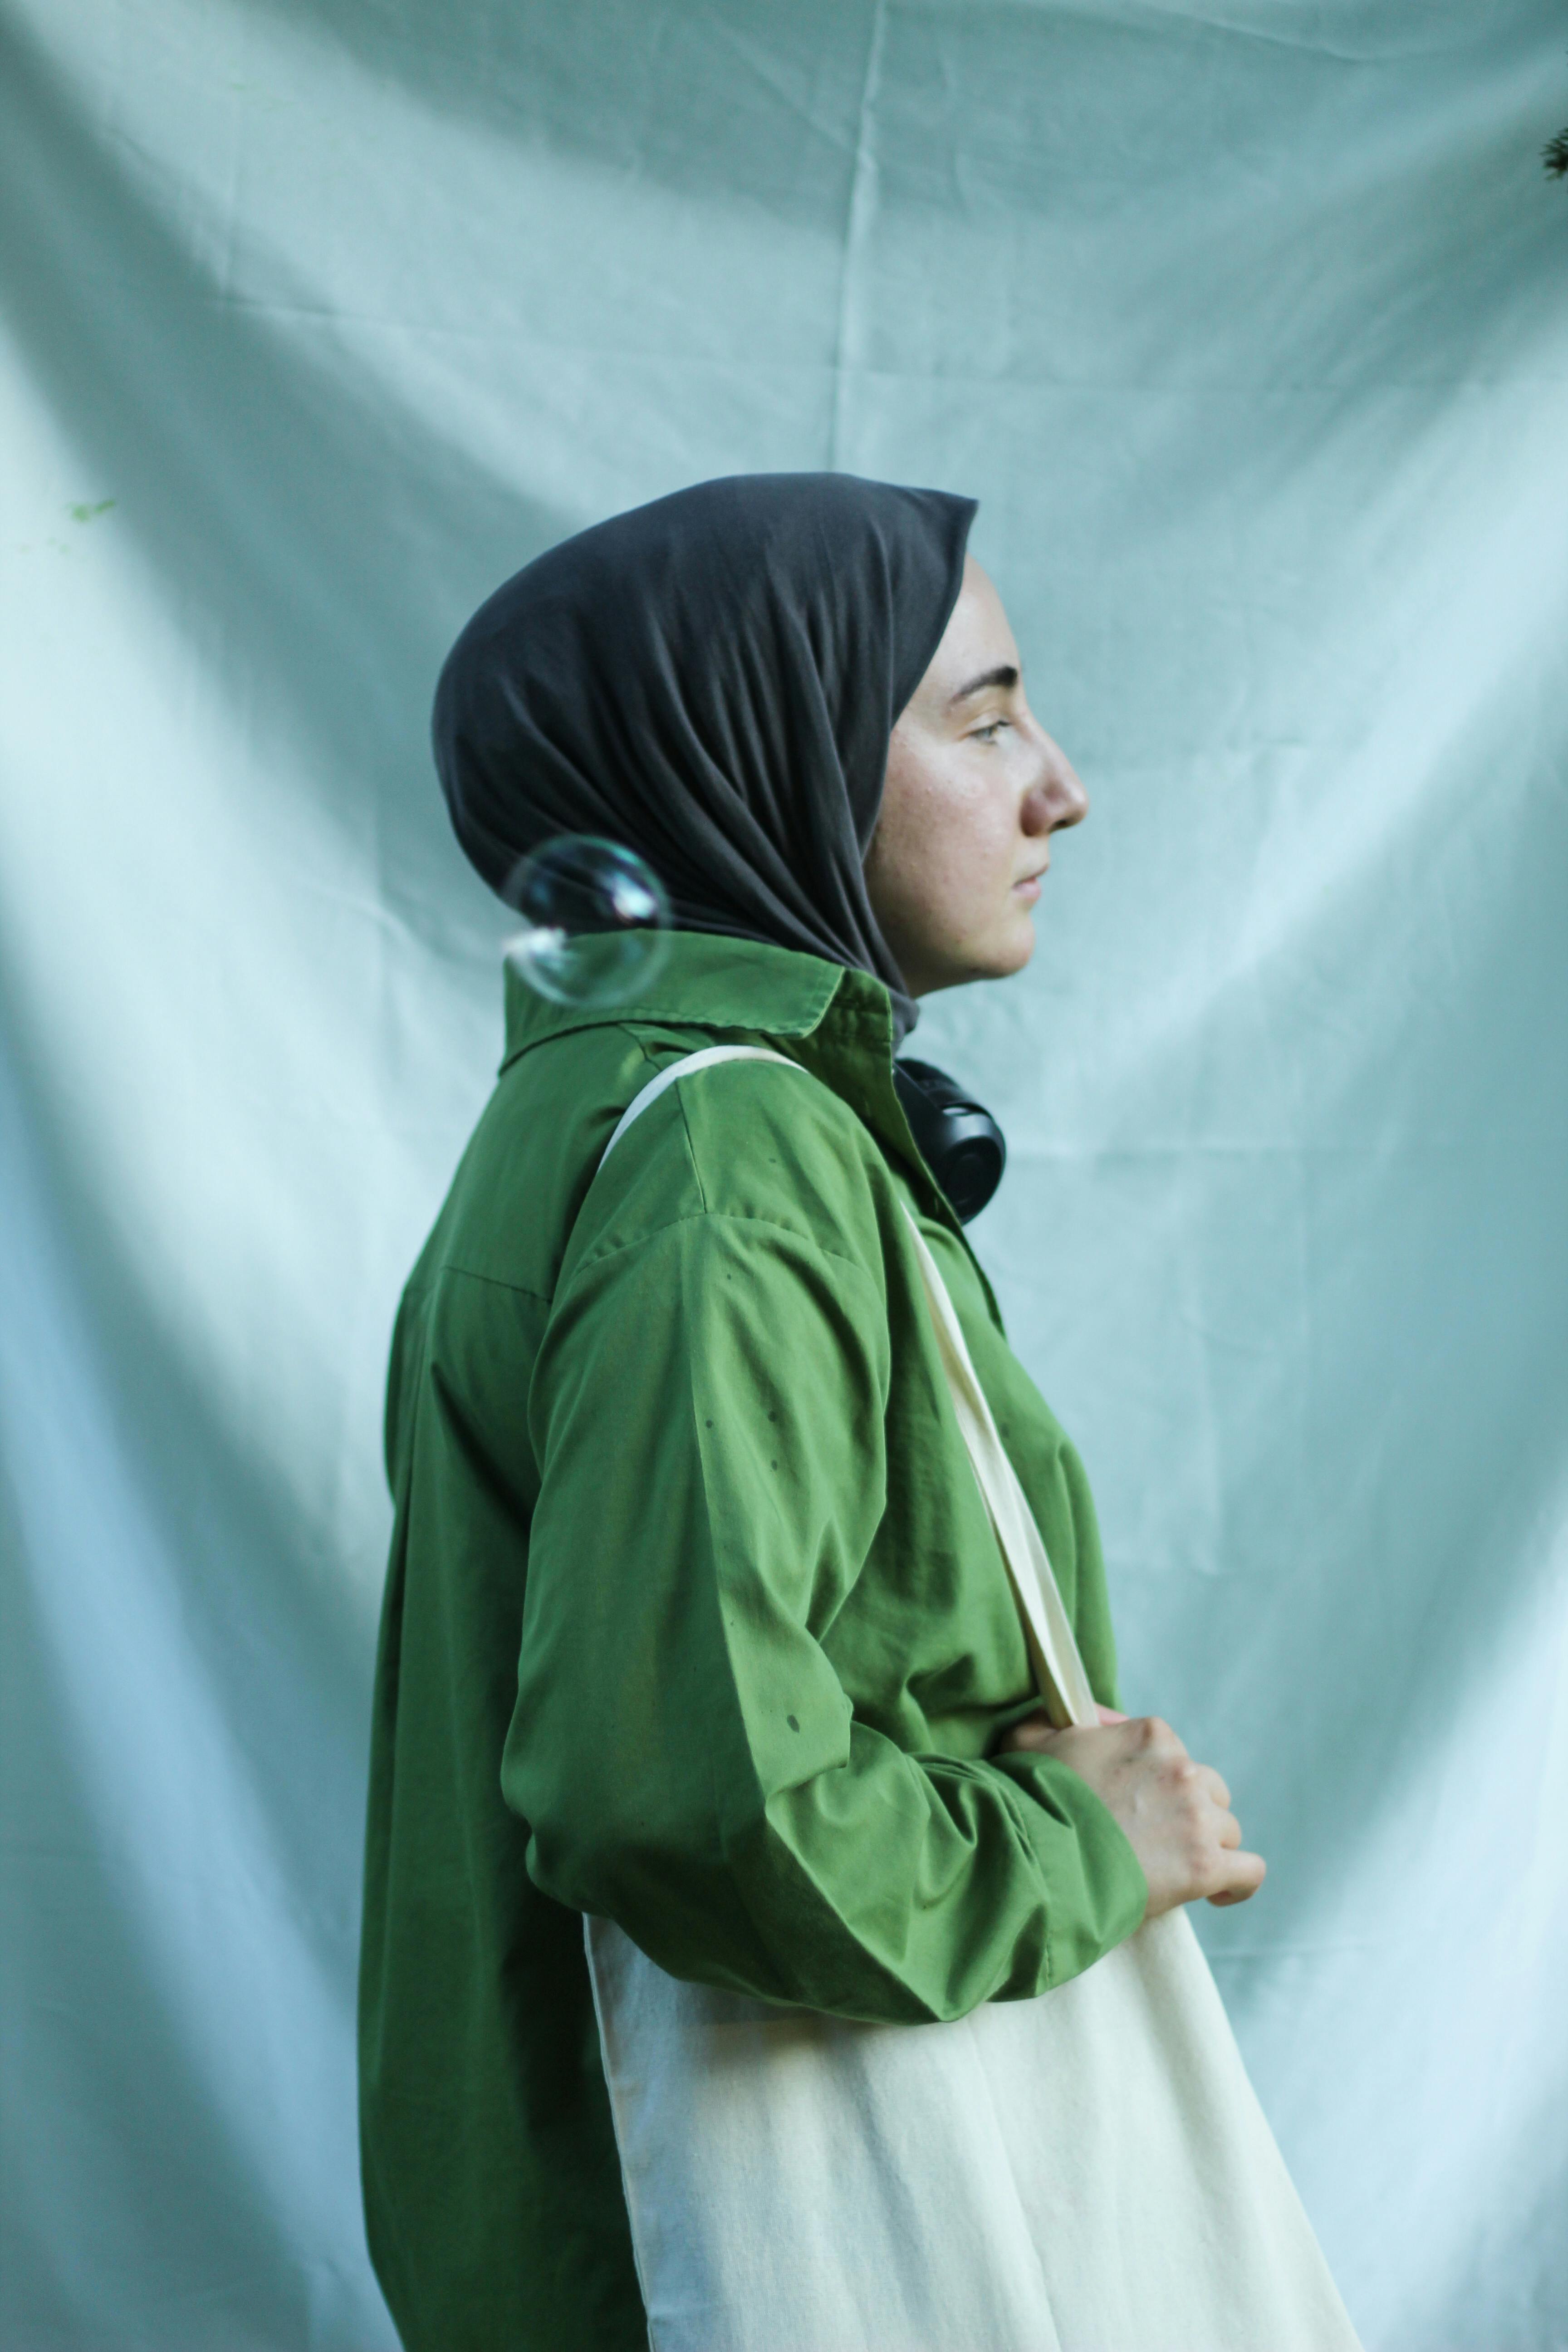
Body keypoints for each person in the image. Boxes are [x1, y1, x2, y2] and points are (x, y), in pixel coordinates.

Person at [358, 474, 1265, 2352]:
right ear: (760, 747)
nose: (1059, 786)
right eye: (984, 714)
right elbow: (683, 1805)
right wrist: (1100, 1843)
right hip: (771, 2271)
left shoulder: (589, 1123)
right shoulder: (736, 1151)